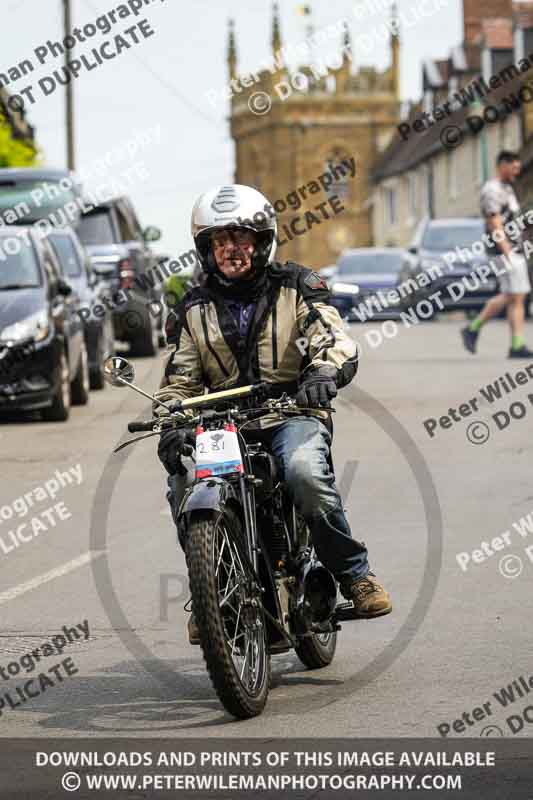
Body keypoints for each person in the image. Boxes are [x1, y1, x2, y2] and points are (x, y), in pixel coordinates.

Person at [154, 184, 392, 644]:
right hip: (222, 424)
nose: (232, 250)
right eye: (220, 242)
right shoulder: (193, 308)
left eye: (241, 238)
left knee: (303, 472)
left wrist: (323, 371)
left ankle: (354, 575)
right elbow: (179, 380)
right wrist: (170, 422)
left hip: (292, 410)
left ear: (262, 241)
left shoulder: (297, 288)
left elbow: (333, 338)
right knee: (184, 486)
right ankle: (215, 591)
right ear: (206, 249)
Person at [461, 151, 533, 358]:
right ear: (503, 165)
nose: (517, 172)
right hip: (504, 250)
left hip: (513, 249)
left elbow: (512, 219)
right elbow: (494, 222)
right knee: (516, 295)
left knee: (514, 296)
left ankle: (511, 343)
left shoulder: (506, 188)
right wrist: (506, 251)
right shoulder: (492, 190)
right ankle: (477, 330)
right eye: (514, 168)